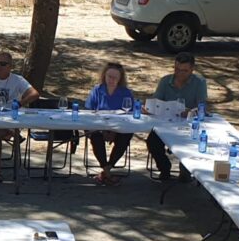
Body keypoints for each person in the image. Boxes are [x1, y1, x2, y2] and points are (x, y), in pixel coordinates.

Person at [0, 51, 39, 184]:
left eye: (3, 64)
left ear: (10, 66)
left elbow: (34, 94)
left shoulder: (18, 80)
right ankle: (9, 134)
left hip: (10, 116)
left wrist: (20, 103)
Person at [145, 52, 208, 181]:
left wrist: (190, 111)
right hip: (165, 123)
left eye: (184, 71)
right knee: (152, 142)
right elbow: (156, 101)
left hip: (187, 124)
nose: (180, 74)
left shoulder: (199, 83)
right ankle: (164, 168)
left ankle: (185, 171)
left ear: (191, 70)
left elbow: (202, 107)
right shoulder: (165, 81)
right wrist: (149, 108)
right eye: (177, 69)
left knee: (190, 143)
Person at [86, 62, 135, 186]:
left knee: (126, 135)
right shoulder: (97, 90)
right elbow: (88, 111)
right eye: (109, 76)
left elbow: (130, 114)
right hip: (98, 126)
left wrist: (114, 129)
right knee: (95, 136)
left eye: (115, 78)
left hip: (119, 127)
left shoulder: (126, 93)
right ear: (104, 75)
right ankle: (106, 169)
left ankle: (107, 169)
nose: (111, 80)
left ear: (120, 79)